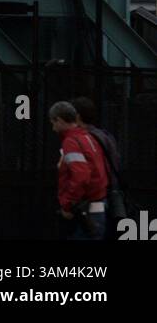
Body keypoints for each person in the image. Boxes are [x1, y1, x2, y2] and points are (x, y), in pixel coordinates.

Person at [49, 100, 108, 241]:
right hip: (97, 204)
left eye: (53, 122)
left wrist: (68, 204)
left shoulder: (71, 142)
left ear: (60, 120)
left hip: (84, 208)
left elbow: (81, 175)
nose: (53, 127)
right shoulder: (89, 138)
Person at [73, 96, 126, 237]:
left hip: (90, 201)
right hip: (108, 197)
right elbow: (116, 164)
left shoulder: (81, 139)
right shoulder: (105, 136)